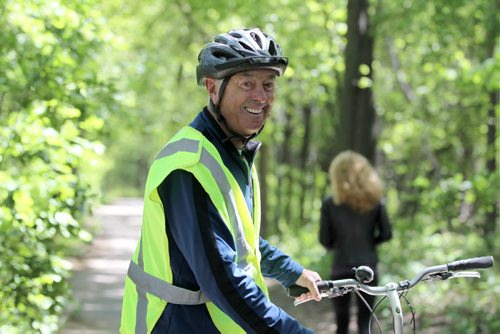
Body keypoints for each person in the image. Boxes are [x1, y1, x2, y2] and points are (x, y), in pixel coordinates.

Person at [120, 28, 322, 334]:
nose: (261, 96)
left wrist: (290, 272)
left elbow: (240, 240)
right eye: (247, 84)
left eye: (268, 85)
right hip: (174, 325)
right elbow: (223, 278)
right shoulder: (190, 165)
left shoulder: (233, 153)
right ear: (213, 88)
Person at [319, 151, 393, 334]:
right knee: (365, 323)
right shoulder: (376, 201)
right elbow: (387, 234)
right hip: (368, 267)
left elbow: (324, 240)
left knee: (341, 323)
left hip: (340, 268)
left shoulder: (330, 203)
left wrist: (339, 244)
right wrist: (370, 242)